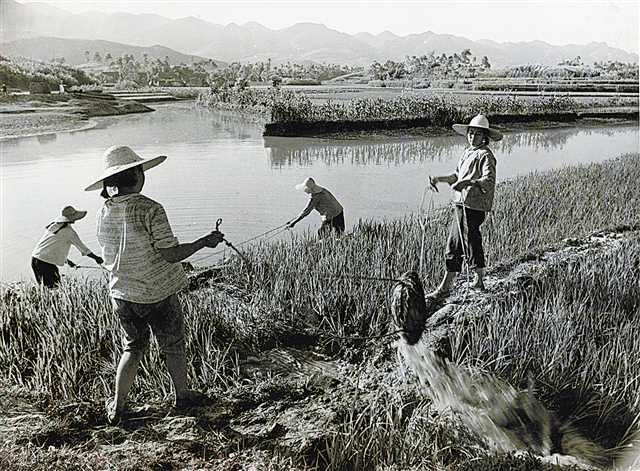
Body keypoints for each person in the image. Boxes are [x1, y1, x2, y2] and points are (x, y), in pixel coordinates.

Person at [84, 145, 225, 424]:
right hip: (156, 293)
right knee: (172, 344)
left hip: (122, 294)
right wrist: (203, 242)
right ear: (137, 174)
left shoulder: (104, 211)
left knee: (132, 348)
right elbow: (170, 254)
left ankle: (118, 407)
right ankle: (182, 397)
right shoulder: (150, 208)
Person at [427, 114, 502, 298]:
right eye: (470, 133)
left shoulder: (486, 155)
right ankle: (457, 284)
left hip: (474, 206)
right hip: (460, 204)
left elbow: (488, 180)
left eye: (477, 134)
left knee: (469, 241)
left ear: (484, 137)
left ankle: (470, 282)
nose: (472, 137)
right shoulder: (468, 153)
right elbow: (456, 176)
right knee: (457, 242)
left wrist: (468, 183)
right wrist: (440, 178)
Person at [31, 206, 103, 288]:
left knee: (46, 288)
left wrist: (68, 262)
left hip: (35, 259)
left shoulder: (54, 226)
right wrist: (96, 258)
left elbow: (51, 248)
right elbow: (83, 249)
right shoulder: (69, 232)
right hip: (45, 263)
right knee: (54, 288)